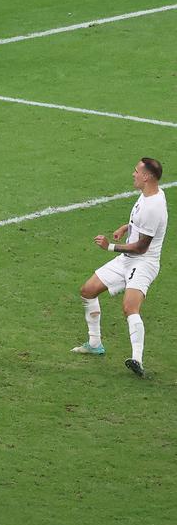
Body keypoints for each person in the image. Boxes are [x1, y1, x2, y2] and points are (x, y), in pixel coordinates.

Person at [72, 158, 167, 378]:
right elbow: (141, 224)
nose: (133, 174)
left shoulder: (154, 207)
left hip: (143, 263)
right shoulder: (150, 194)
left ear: (147, 176)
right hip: (127, 259)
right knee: (88, 291)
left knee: (129, 307)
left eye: (136, 171)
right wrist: (127, 226)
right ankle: (95, 344)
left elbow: (142, 247)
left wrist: (110, 246)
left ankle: (137, 359)